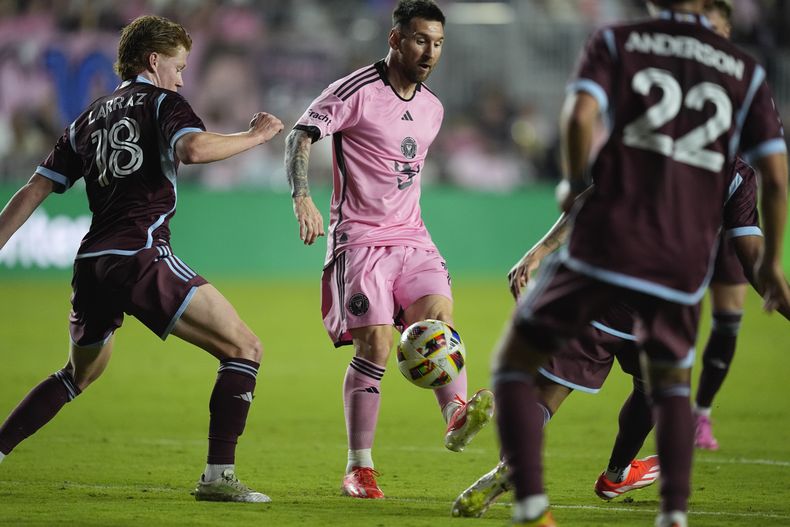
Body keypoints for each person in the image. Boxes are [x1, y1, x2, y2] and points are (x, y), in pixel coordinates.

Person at [491, 0, 789, 525]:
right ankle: (655, 502)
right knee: (667, 387)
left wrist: (567, 186)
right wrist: (773, 277)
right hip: (673, 283)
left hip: (603, 267)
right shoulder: (743, 109)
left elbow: (581, 126)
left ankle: (524, 486)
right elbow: (762, 226)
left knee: (524, 369)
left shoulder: (622, 46)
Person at [0, 15, 285, 502]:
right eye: (178, 65)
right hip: (140, 252)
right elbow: (193, 149)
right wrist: (255, 137)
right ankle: (218, 478)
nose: (181, 76)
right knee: (244, 348)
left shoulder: (90, 115)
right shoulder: (162, 102)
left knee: (76, 375)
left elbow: (36, 185)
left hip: (93, 263)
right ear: (154, 60)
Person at [452, 157, 790, 518]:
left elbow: (593, 197)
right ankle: (617, 475)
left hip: (601, 283)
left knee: (547, 393)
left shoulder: (652, 139)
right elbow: (752, 257)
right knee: (652, 391)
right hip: (664, 301)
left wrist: (538, 252)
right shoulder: (736, 175)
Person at [283, 0, 493, 499]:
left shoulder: (433, 108)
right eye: (421, 40)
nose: (430, 52)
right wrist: (301, 197)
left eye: (438, 43)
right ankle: (359, 467)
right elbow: (300, 135)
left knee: (438, 319)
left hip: (413, 237)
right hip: (359, 239)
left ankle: (455, 415)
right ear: (395, 39)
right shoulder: (354, 91)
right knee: (374, 344)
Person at [689, 0, 743, 452]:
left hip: (728, 215)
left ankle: (700, 414)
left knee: (728, 319)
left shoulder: (746, 85)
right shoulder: (672, 78)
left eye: (716, 27)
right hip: (677, 220)